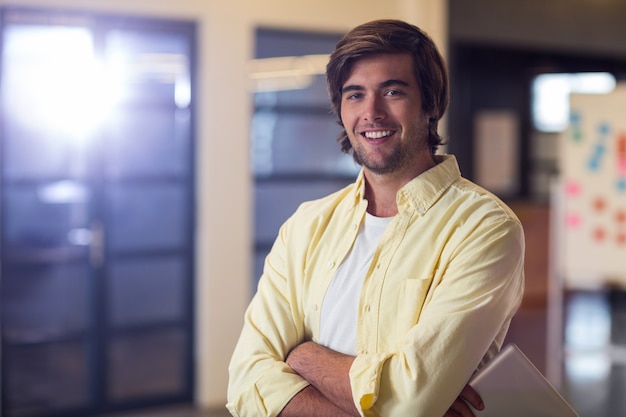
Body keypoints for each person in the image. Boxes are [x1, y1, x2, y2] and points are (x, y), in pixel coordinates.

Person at [227, 19, 525, 417]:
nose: (371, 112)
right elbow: (246, 381)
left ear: (432, 104)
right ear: (341, 109)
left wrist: (303, 356)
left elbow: (409, 401)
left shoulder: (484, 228)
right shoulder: (305, 226)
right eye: (355, 95)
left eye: (392, 91)